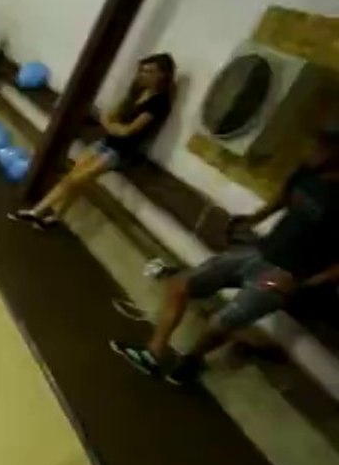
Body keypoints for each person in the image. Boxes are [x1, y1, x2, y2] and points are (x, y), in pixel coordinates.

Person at [111, 125, 339, 385]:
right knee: (180, 284)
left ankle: (190, 362)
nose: (315, 149)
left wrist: (307, 282)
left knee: (221, 323)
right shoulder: (308, 171)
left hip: (282, 275)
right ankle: (153, 352)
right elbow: (284, 197)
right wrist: (255, 217)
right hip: (260, 251)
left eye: (324, 146)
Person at [10, 53, 176, 229]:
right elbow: (110, 114)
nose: (143, 75)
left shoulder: (159, 103)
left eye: (149, 72)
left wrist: (112, 126)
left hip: (121, 152)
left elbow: (130, 130)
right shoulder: (138, 91)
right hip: (107, 142)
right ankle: (56, 216)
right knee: (75, 176)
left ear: (162, 75)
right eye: (142, 71)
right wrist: (112, 125)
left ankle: (36, 212)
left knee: (74, 179)